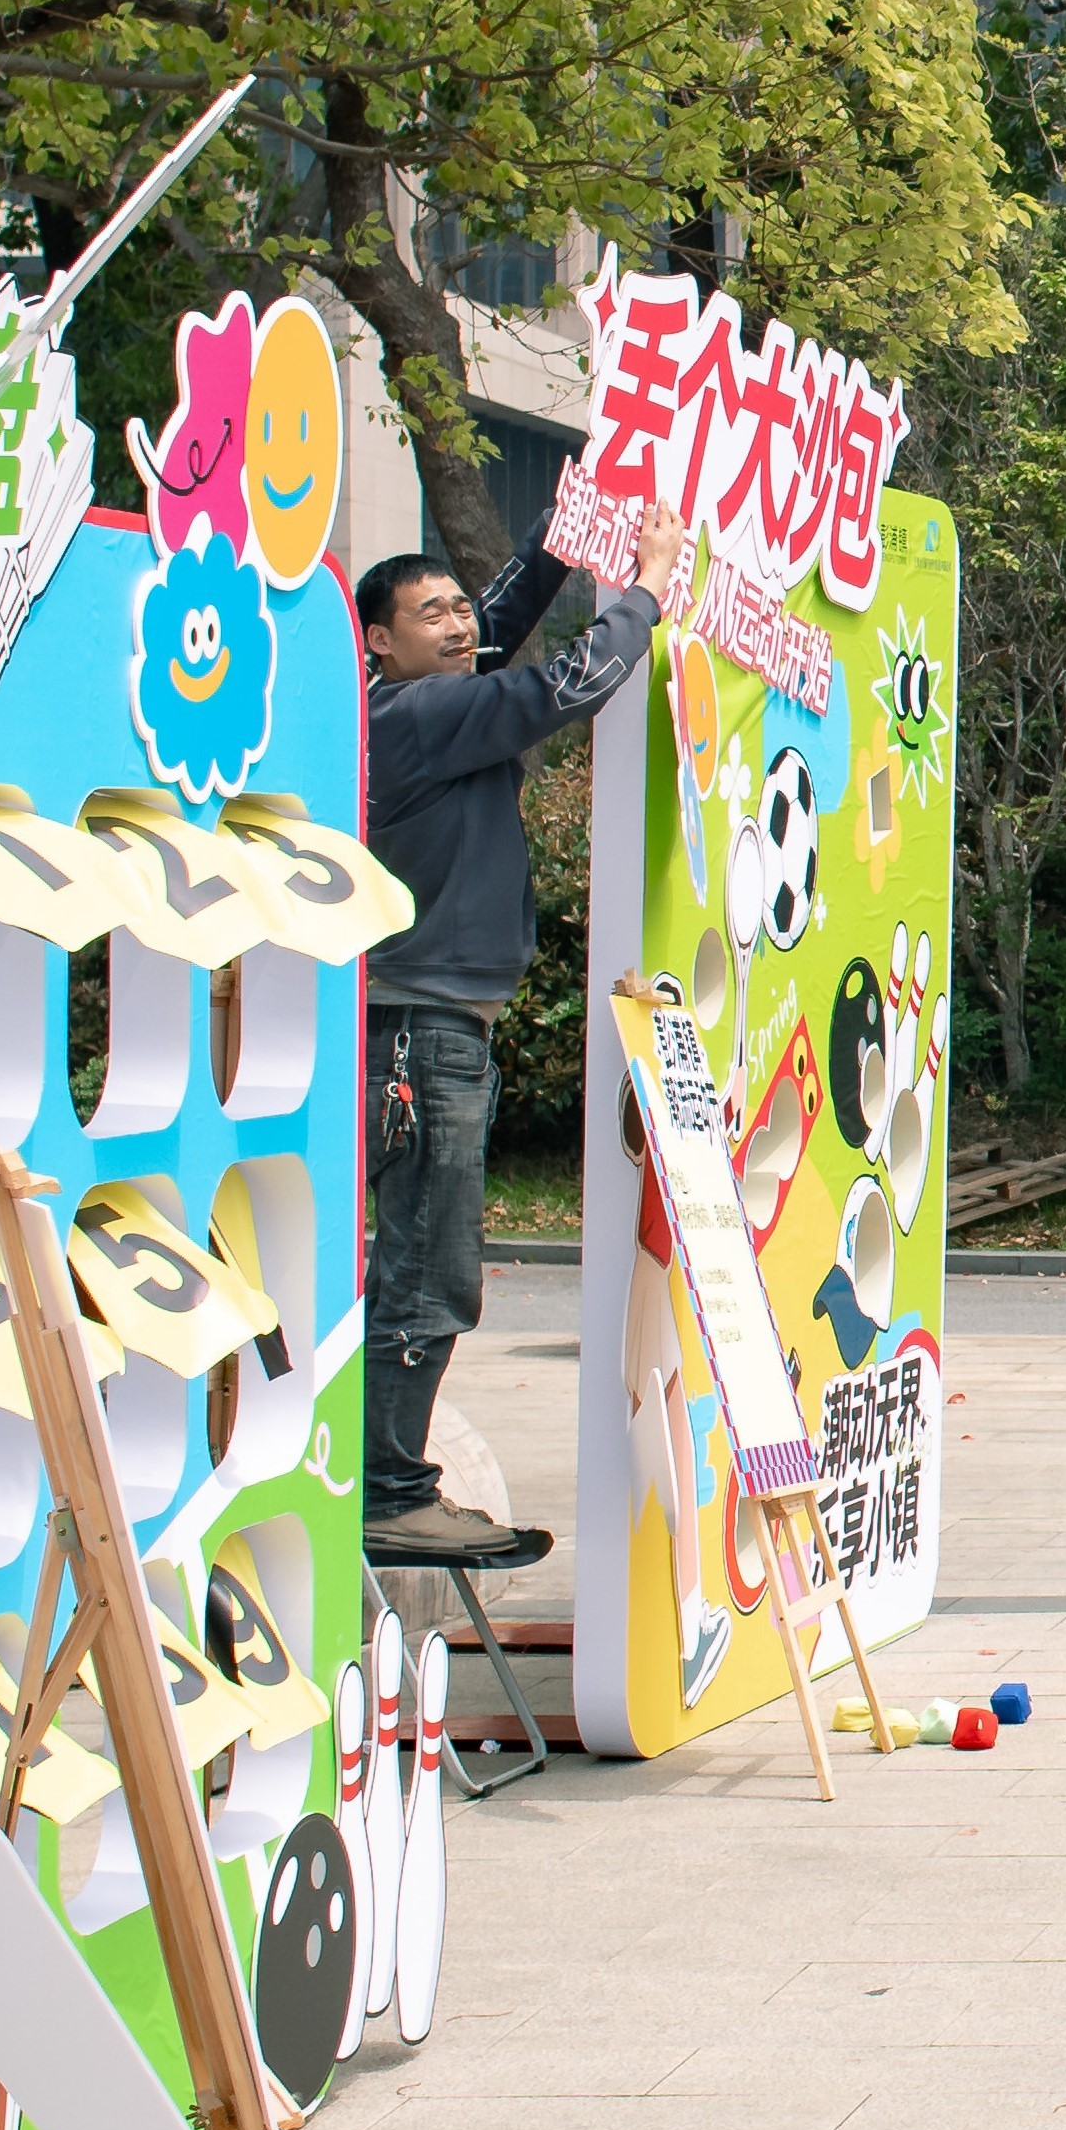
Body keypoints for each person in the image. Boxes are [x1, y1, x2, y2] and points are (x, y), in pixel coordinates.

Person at [358, 505, 691, 1561]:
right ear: (378, 640)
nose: (460, 625)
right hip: (421, 1030)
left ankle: (386, 1480)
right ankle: (387, 1491)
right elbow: (567, 684)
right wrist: (645, 585)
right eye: (432, 615)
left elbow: (500, 626)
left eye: (460, 607)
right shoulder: (415, 714)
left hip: (431, 1023)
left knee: (426, 1255)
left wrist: (566, 526)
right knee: (427, 1262)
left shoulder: (417, 695)